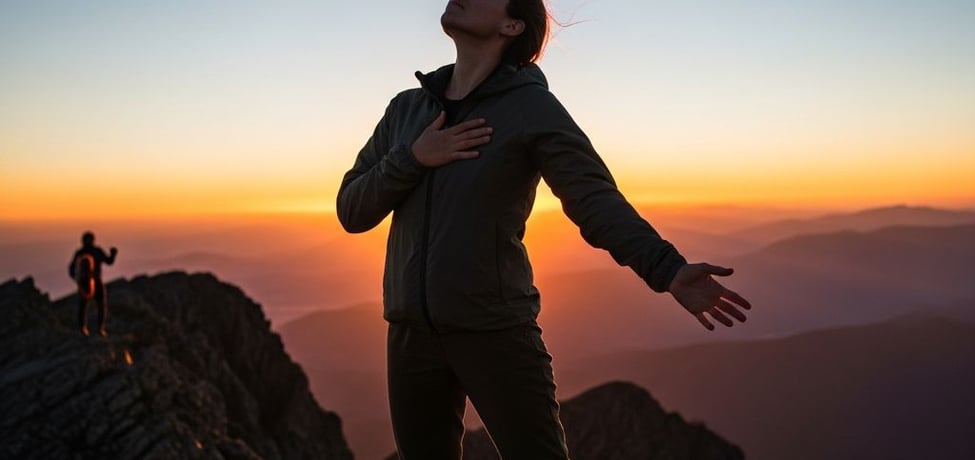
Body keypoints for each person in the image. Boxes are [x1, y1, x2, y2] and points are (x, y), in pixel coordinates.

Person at [336, 1, 752, 458]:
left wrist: (667, 269)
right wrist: (413, 157)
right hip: (409, 335)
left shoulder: (532, 108)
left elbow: (593, 199)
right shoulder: (407, 110)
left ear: (511, 25)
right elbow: (352, 210)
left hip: (496, 331)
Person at [68, 231, 118, 337]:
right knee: (99, 306)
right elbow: (109, 262)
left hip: (85, 283)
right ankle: (99, 329)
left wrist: (78, 280)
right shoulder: (96, 251)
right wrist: (113, 254)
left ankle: (84, 328)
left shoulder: (80, 253)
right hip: (96, 281)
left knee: (84, 306)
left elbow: (71, 270)